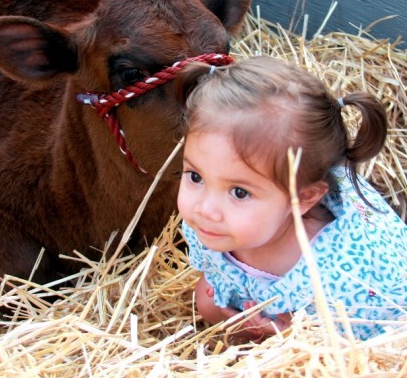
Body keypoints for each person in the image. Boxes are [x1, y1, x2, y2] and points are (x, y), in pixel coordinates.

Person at [174, 55, 406, 341]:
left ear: (304, 199)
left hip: (341, 336)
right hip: (264, 292)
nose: (205, 209)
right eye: (196, 177)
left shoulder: (338, 282)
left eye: (240, 192)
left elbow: (344, 360)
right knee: (207, 302)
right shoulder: (220, 224)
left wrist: (287, 339)